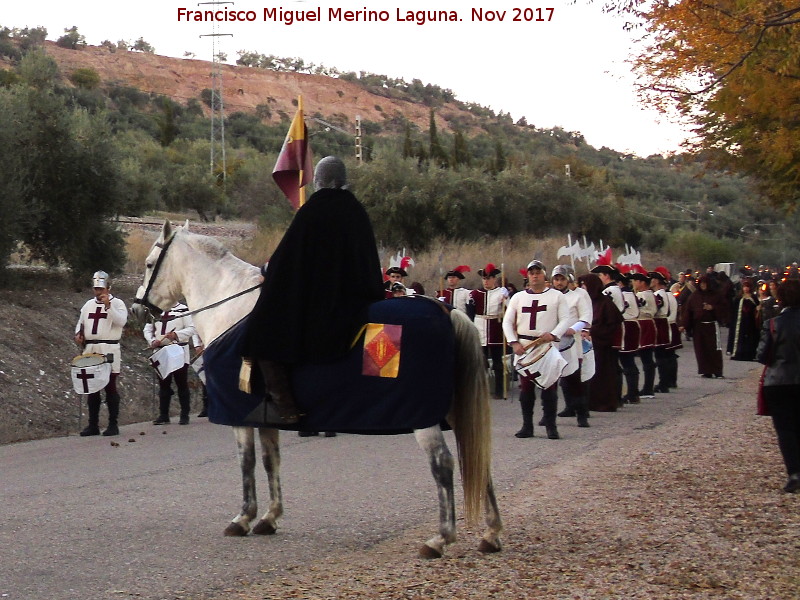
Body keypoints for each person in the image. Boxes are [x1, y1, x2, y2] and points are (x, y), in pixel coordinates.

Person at [240, 156, 385, 424]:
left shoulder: (313, 210)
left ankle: (285, 407)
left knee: (261, 327)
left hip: (326, 307)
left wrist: (268, 274)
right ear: (343, 180)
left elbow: (287, 262)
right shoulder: (356, 210)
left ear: (320, 180)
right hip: (361, 300)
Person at [503, 260, 570, 439]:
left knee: (549, 388)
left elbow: (565, 319)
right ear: (527, 276)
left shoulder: (557, 296)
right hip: (525, 348)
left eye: (538, 272)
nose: (534, 275)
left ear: (544, 275)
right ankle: (527, 426)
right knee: (526, 390)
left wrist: (554, 334)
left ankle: (551, 425)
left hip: (546, 347)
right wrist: (513, 342)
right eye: (531, 272)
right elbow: (507, 321)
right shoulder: (518, 297)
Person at [756, 279, 800, 493]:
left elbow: (762, 355)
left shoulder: (774, 324)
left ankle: (794, 472)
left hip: (779, 381)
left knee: (785, 429)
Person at [74, 270, 128, 436]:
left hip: (109, 349)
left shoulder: (118, 304)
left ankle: (113, 424)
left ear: (108, 288)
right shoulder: (88, 305)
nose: (98, 292)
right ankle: (93, 425)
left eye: (101, 289)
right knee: (92, 387)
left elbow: (121, 321)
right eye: (96, 289)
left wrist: (108, 307)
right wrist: (78, 335)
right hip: (91, 349)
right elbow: (81, 322)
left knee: (110, 386)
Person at [550, 265, 592, 427]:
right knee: (550, 379)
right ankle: (549, 415)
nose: (559, 282)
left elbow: (586, 317)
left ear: (568, 280)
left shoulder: (578, 297)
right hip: (553, 342)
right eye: (556, 279)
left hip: (572, 342)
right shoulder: (549, 297)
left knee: (574, 379)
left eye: (562, 279)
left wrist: (572, 329)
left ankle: (581, 415)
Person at [145, 301, 197, 425]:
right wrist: (152, 340)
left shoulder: (183, 309)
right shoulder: (155, 310)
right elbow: (148, 328)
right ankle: (164, 415)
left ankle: (184, 414)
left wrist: (176, 334)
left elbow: (192, 328)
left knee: (181, 382)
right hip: (162, 350)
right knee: (164, 383)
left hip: (178, 349)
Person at [578, 273, 624, 412]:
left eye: (584, 286)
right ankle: (588, 402)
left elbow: (612, 325)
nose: (582, 288)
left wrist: (593, 333)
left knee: (602, 375)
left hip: (602, 346)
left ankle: (604, 403)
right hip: (587, 345)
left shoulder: (605, 303)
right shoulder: (586, 303)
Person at [469, 263, 509, 399]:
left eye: (489, 278)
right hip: (480, 325)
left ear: (494, 279)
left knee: (497, 361)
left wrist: (506, 298)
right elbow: (470, 313)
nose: (486, 281)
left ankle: (499, 389)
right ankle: (481, 390)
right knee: (481, 360)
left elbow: (508, 311)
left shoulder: (501, 292)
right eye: (484, 278)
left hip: (495, 326)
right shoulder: (475, 294)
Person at [680, 274, 729, 378]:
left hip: (711, 326)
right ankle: (706, 370)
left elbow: (724, 308)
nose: (703, 285)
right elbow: (688, 312)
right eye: (701, 283)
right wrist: (684, 325)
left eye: (705, 283)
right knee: (701, 350)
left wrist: (713, 308)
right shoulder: (694, 296)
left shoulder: (716, 295)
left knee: (714, 349)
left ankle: (717, 371)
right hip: (699, 327)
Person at [650, 268, 680, 392]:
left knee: (662, 355)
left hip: (663, 324)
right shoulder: (667, 294)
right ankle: (669, 380)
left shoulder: (659, 295)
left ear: (656, 281)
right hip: (668, 324)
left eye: (652, 279)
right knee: (668, 355)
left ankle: (664, 382)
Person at [630, 270, 657, 399]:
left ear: (641, 282)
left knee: (646, 358)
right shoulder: (649, 294)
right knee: (647, 358)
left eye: (635, 281)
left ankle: (648, 389)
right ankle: (648, 387)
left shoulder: (643, 295)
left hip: (644, 323)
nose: (633, 283)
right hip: (647, 324)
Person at [727, 278, 759, 361]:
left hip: (750, 322)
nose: (746, 289)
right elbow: (734, 310)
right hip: (740, 322)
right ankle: (738, 353)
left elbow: (756, 308)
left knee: (749, 338)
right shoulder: (738, 298)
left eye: (747, 287)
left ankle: (749, 354)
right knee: (739, 337)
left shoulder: (753, 298)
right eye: (744, 287)